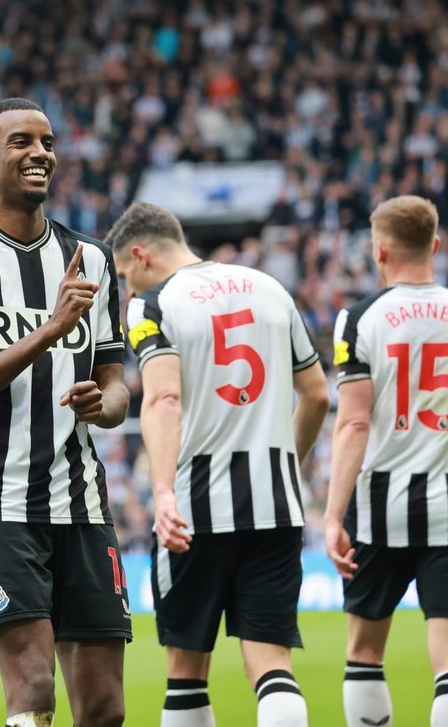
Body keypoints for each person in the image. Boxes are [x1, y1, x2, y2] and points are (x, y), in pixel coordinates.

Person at [0, 98, 132, 727]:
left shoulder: (91, 258)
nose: (40, 152)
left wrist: (106, 403)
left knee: (105, 708)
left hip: (81, 501)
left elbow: (115, 387)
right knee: (34, 690)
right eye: (21, 142)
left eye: (47, 141)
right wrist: (51, 328)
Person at [107, 202, 330, 727]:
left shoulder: (152, 306)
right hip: (276, 505)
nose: (127, 291)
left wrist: (162, 494)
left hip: (195, 506)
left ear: (140, 256)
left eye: (124, 277)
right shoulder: (269, 287)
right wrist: (287, 464)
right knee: (272, 666)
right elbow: (317, 395)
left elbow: (163, 399)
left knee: (186, 673)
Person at [325, 195, 448, 727]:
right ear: (435, 245)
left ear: (379, 250)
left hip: (377, 505)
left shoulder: (360, 318)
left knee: (364, 654)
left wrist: (330, 514)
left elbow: (354, 424)